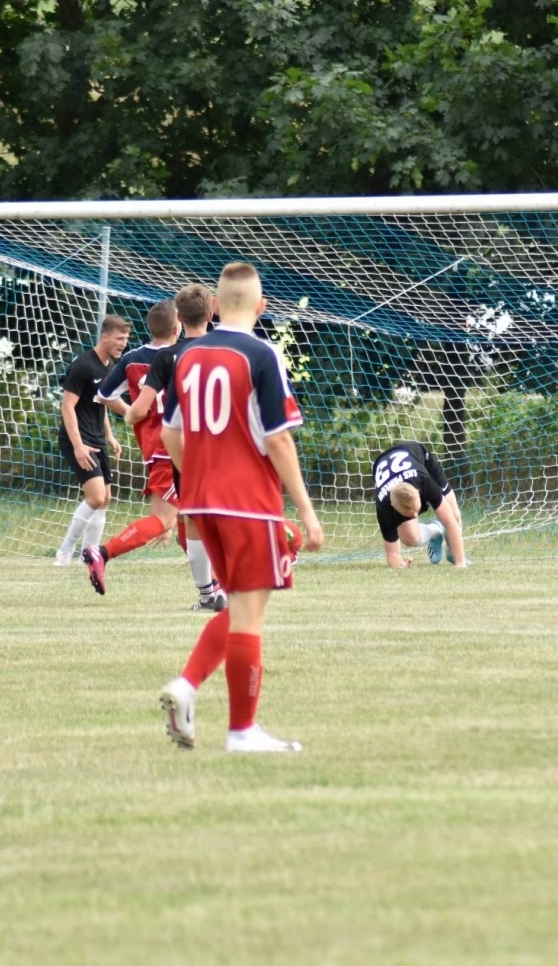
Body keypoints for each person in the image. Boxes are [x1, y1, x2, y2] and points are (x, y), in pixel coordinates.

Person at [156, 263, 324, 755]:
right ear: (261, 306)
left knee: (236, 607)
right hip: (248, 503)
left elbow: (171, 434)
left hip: (202, 503)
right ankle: (241, 731)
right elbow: (277, 439)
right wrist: (307, 511)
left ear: (213, 307)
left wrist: (200, 480)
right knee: (249, 615)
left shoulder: (186, 357)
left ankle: (188, 686)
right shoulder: (262, 354)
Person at [85, 286, 225, 610]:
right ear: (177, 323)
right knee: (171, 519)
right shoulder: (206, 351)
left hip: (159, 445)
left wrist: (133, 414)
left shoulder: (137, 359)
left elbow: (105, 396)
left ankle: (212, 588)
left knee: (184, 522)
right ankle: (101, 552)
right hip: (189, 444)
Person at [52, 315, 130, 566]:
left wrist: (109, 435)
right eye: (119, 339)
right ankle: (64, 552)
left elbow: (102, 403)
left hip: (96, 437)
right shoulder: (83, 365)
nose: (123, 344)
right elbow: (67, 406)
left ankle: (89, 556)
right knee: (95, 497)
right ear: (105, 337)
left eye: (126, 339)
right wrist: (77, 445)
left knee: (105, 499)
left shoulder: (110, 368)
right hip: (78, 439)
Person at [372, 440, 469, 568]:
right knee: (411, 539)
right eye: (410, 515)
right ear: (395, 508)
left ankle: (453, 553)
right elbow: (392, 555)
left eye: (416, 510)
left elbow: (450, 520)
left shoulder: (424, 481)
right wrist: (401, 566)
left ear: (418, 492)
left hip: (416, 455)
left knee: (454, 514)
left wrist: (460, 563)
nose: (416, 514)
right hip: (387, 471)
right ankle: (436, 530)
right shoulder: (384, 508)